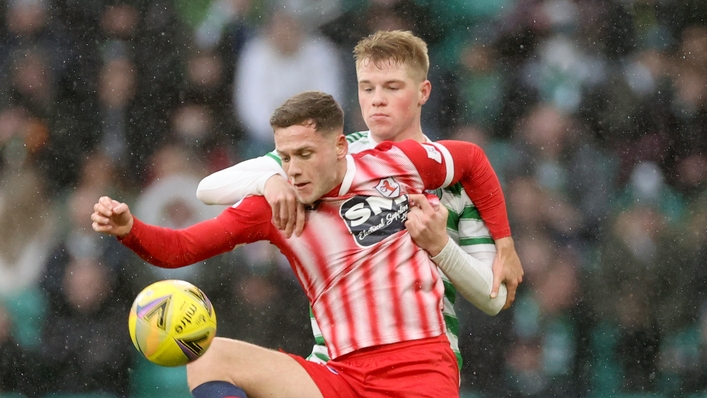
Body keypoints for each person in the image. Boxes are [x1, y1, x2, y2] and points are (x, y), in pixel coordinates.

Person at [92, 90, 507, 398]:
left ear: (341, 146)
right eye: (284, 157)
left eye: (305, 154)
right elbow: (179, 249)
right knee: (210, 354)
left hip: (421, 372)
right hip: (342, 376)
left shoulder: (397, 164)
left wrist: (504, 244)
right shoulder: (276, 207)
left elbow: (471, 159)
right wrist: (130, 229)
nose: (294, 169)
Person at [196, 30, 523, 366]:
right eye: (367, 88)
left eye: (392, 87)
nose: (377, 99)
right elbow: (208, 188)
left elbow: (493, 298)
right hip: (339, 363)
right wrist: (269, 179)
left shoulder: (454, 178)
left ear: (423, 92)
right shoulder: (326, 160)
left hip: (422, 367)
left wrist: (442, 247)